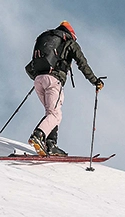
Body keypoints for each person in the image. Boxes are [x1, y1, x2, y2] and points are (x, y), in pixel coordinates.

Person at [25, 21, 103, 156]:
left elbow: (29, 68)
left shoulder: (48, 39)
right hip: (54, 81)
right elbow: (82, 63)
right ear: (72, 34)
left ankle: (50, 144)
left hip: (38, 80)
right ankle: (38, 135)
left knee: (52, 113)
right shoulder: (69, 42)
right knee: (55, 114)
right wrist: (95, 81)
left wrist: (42, 75)